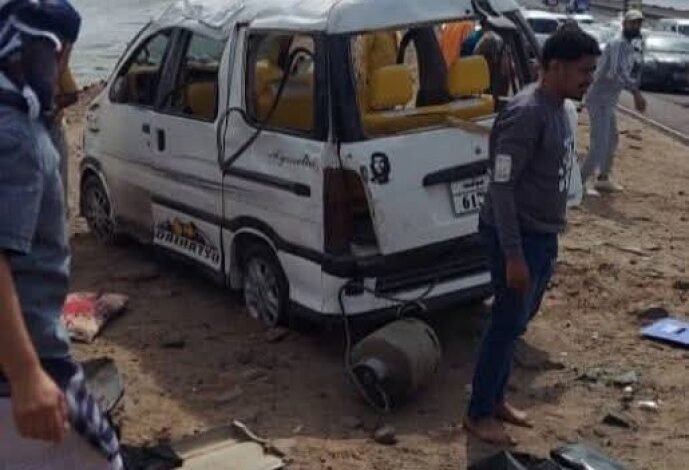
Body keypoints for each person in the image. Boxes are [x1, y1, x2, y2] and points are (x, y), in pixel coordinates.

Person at [464, 28, 600, 446]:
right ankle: (478, 413)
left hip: (541, 235)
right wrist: (514, 255)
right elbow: (502, 187)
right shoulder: (527, 113)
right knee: (505, 323)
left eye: (592, 71)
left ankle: (495, 399)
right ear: (555, 66)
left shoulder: (559, 108)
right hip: (517, 238)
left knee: (515, 323)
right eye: (584, 71)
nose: (589, 79)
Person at [0, 0, 122, 468]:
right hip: (28, 356)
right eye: (61, 55)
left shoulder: (20, 117)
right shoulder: (16, 138)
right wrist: (26, 374)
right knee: (101, 457)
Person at [582, 9, 646, 195]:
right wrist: (636, 93)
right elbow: (616, 72)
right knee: (600, 142)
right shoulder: (618, 43)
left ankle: (603, 178)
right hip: (599, 98)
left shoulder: (629, 46)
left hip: (608, 100)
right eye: (632, 23)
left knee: (612, 139)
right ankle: (579, 182)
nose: (636, 27)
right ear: (624, 24)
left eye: (638, 23)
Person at [52, 53, 80, 213]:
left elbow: (72, 95)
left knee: (58, 185)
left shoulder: (53, 57)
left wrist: (49, 106)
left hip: (52, 129)